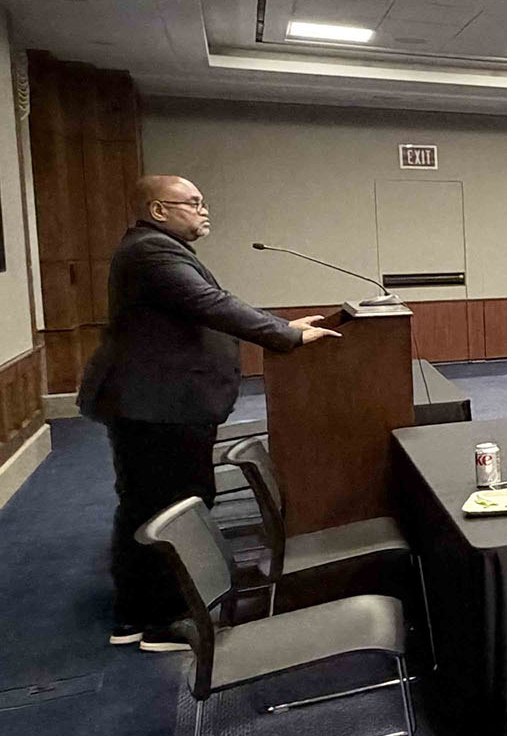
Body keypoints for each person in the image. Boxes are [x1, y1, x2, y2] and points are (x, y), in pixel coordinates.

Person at [77, 175, 339, 651]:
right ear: (159, 210)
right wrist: (285, 334)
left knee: (148, 505)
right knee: (168, 508)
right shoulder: (151, 251)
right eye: (193, 202)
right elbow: (209, 303)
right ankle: (162, 620)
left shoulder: (155, 248)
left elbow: (209, 305)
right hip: (158, 408)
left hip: (157, 405)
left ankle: (135, 614)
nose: (204, 210)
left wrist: (280, 325)